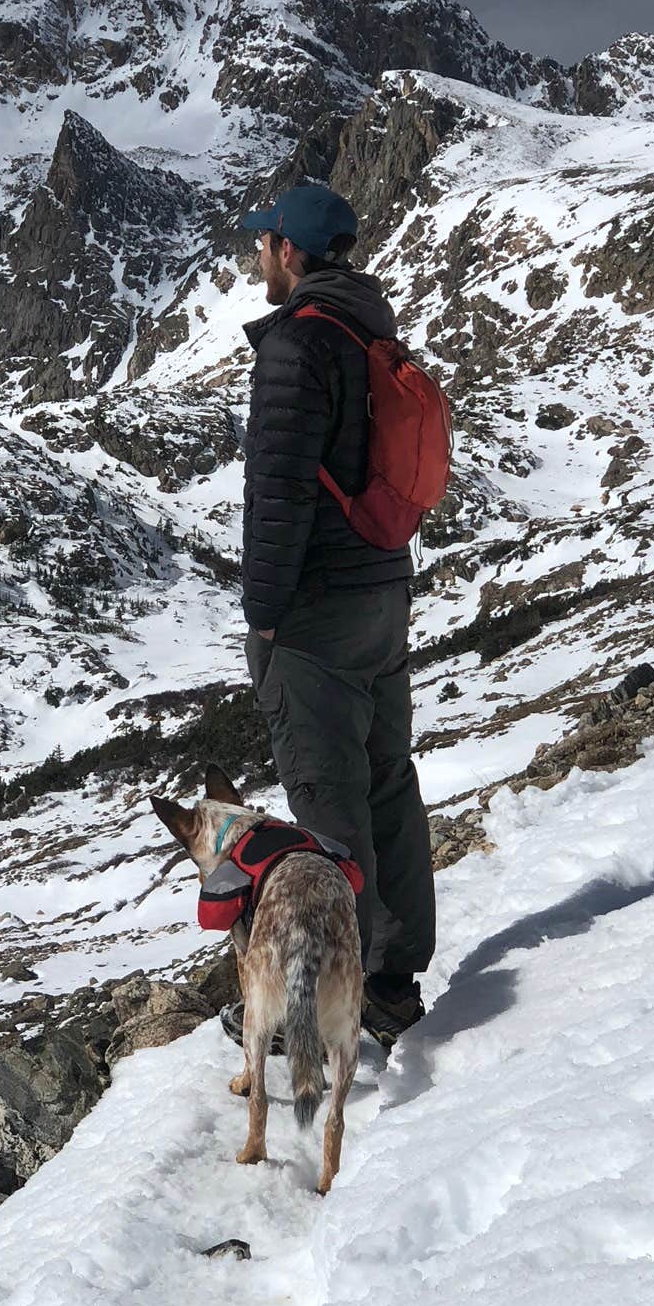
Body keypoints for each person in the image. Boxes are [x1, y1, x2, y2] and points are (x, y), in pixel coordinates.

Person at [230, 181, 435, 1049]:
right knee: (387, 778)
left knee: (326, 806)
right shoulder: (371, 327)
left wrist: (265, 618)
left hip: (316, 613)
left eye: (262, 245)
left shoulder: (297, 346)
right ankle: (393, 977)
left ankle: (330, 1006)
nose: (255, 259)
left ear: (287, 251)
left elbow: (277, 498)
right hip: (383, 594)